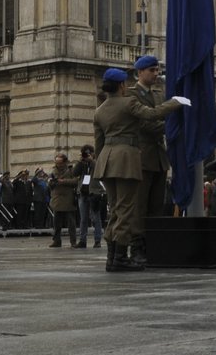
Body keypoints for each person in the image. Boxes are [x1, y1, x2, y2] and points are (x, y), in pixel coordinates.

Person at [93, 66, 186, 271]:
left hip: (106, 162)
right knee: (126, 210)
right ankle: (119, 258)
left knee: (114, 210)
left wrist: (101, 165)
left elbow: (98, 144)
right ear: (121, 85)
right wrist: (175, 103)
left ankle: (111, 257)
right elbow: (151, 115)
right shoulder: (128, 103)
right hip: (126, 160)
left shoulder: (99, 110)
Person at [131, 55, 172, 217]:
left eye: (157, 70)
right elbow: (144, 124)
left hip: (159, 158)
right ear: (140, 72)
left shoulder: (158, 94)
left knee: (157, 205)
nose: (156, 73)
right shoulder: (132, 95)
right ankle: (138, 240)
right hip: (142, 157)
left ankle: (154, 239)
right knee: (140, 204)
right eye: (152, 70)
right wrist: (170, 128)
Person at [48, 153, 80, 247]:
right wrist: (51, 182)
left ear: (65, 162)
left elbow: (75, 181)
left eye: (60, 163)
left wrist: (63, 181)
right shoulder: (53, 171)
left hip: (68, 198)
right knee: (56, 223)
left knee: (71, 223)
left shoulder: (71, 170)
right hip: (57, 198)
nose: (58, 165)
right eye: (57, 163)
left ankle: (73, 241)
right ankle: (56, 241)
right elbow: (50, 185)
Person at [74, 146, 102, 248]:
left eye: (87, 154)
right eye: (84, 154)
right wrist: (80, 162)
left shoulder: (97, 162)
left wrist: (92, 161)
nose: (86, 156)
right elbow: (74, 173)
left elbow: (100, 170)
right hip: (83, 193)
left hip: (94, 193)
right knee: (83, 219)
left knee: (96, 218)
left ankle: (97, 240)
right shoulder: (82, 164)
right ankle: (82, 240)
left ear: (93, 153)